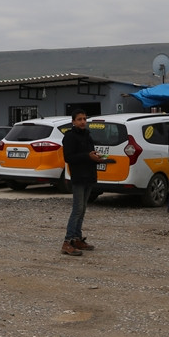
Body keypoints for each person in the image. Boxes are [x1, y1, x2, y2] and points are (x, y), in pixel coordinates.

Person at [61, 109, 104, 256]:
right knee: (77, 209)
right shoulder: (70, 137)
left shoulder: (87, 135)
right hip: (79, 177)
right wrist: (87, 156)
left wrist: (96, 158)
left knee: (83, 209)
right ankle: (67, 242)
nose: (83, 122)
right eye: (79, 119)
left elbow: (90, 154)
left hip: (89, 176)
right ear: (73, 121)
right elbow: (69, 157)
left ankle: (77, 239)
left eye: (84, 119)